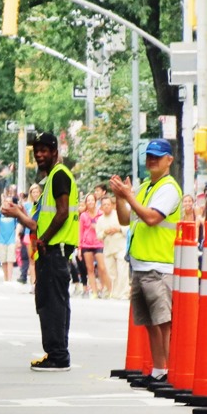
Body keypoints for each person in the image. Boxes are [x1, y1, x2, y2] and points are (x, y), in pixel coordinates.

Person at [0, 132, 79, 372]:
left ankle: (57, 355)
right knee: (51, 302)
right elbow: (38, 223)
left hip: (54, 250)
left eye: (45, 150)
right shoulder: (51, 180)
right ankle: (56, 353)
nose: (40, 155)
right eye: (37, 152)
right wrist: (19, 214)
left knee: (52, 304)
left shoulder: (59, 176)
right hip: (51, 251)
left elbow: (62, 213)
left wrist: (43, 240)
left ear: (55, 151)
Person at [109, 138, 182, 387]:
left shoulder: (169, 188)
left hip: (160, 266)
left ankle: (170, 372)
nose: (152, 160)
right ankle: (159, 370)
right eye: (149, 155)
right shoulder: (144, 187)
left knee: (163, 322)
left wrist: (129, 195)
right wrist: (122, 197)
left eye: (157, 156)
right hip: (141, 265)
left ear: (169, 160)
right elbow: (125, 219)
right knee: (151, 323)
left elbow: (151, 218)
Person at [94, 197, 129, 299]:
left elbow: (127, 228)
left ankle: (124, 293)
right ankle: (113, 293)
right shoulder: (100, 220)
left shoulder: (119, 215)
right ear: (101, 207)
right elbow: (98, 235)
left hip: (121, 247)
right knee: (111, 273)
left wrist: (118, 229)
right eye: (104, 205)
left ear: (112, 205)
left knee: (122, 271)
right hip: (108, 249)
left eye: (108, 204)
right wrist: (105, 232)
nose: (106, 206)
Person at [78, 194, 111, 298]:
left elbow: (105, 227)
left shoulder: (101, 214)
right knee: (90, 269)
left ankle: (107, 289)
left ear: (96, 202)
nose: (91, 202)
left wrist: (96, 227)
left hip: (99, 243)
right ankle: (94, 291)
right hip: (86, 244)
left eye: (92, 200)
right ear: (86, 203)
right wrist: (79, 248)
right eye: (88, 201)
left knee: (102, 267)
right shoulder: (83, 216)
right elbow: (80, 232)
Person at [0, 194, 19, 282]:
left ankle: (9, 278)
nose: (8, 203)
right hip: (1, 239)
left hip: (11, 239)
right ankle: (5, 277)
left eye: (10, 202)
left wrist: (17, 238)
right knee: (3, 260)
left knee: (10, 260)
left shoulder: (14, 213)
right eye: (6, 201)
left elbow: (17, 227)